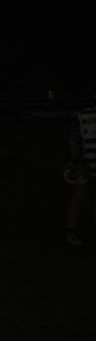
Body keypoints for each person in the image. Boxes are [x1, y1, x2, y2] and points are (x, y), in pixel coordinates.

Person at [63, 102, 96, 245]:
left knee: (79, 198)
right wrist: (77, 160)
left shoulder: (83, 115)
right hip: (88, 165)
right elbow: (73, 138)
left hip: (87, 164)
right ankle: (71, 232)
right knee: (79, 197)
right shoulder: (83, 115)